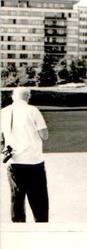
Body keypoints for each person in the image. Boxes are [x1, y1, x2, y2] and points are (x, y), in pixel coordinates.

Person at [1, 87, 49, 223]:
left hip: (14, 161)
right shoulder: (33, 111)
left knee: (16, 198)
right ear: (28, 97)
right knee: (39, 198)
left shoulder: (3, 112)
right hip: (34, 161)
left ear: (12, 97)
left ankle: (19, 227)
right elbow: (44, 135)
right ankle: (42, 227)